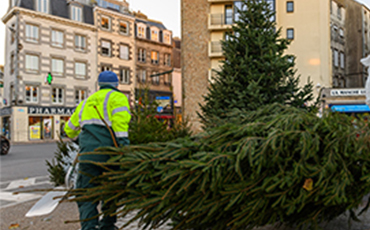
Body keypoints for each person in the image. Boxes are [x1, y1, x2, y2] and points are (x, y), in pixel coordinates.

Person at [64, 71, 131, 230]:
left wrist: (79, 137)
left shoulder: (86, 102)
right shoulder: (118, 98)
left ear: (99, 85)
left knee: (86, 194)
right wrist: (126, 153)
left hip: (87, 156)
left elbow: (69, 130)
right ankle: (107, 225)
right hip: (110, 156)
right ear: (116, 85)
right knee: (111, 191)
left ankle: (89, 227)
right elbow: (121, 130)